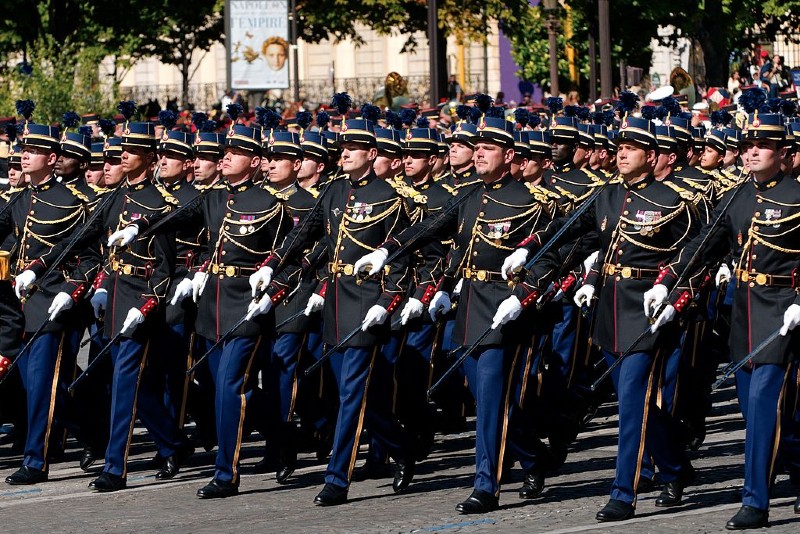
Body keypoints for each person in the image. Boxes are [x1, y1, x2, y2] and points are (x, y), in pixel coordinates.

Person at [354, 98, 553, 513]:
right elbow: (431, 230)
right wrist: (388, 251)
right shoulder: (466, 196)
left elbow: (549, 258)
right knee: (487, 400)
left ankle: (487, 485)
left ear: (509, 155)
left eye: (488, 147)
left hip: (504, 309)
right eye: (475, 146)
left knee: (492, 398)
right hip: (467, 308)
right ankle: (533, 457)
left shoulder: (533, 202)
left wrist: (523, 294)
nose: (478, 152)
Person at [502, 114, 699, 522]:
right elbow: (574, 230)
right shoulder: (608, 195)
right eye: (619, 148)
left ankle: (623, 493)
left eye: (631, 149)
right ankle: (676, 468)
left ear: (652, 155)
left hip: (645, 311)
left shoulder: (673, 201)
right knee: (639, 402)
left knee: (631, 404)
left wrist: (674, 296)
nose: (622, 154)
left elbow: (694, 255)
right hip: (609, 311)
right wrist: (531, 248)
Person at [247, 105, 416, 506]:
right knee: (355, 393)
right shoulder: (336, 190)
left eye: (354, 148)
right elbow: (307, 234)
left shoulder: (389, 198)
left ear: (372, 154)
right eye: (343, 148)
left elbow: (403, 254)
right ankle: (403, 447)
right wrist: (273, 265)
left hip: (365, 301)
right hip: (337, 300)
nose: (345, 154)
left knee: (350, 395)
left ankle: (337, 479)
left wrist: (388, 301)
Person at [646, 106, 800, 529]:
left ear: (782, 152)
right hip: (745, 316)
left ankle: (756, 501)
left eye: (761, 146)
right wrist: (670, 280)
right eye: (747, 146)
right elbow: (704, 243)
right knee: (761, 416)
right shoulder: (736, 196)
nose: (751, 153)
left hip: (784, 313)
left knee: (763, 407)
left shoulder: (797, 196)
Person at [2, 111, 101, 486]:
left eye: (34, 150)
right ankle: (95, 432)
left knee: (42, 385)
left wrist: (68, 293)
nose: (25, 156)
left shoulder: (73, 200)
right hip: (19, 305)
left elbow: (89, 258)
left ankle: (35, 461)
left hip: (52, 303)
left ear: (51, 157)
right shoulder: (19, 199)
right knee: (38, 386)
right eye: (24, 149)